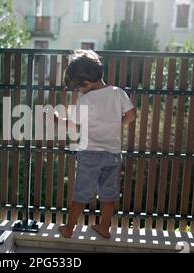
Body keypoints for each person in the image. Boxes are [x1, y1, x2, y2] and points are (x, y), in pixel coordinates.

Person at [57, 50, 136, 239]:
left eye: (77, 87)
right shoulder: (118, 93)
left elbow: (76, 125)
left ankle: (68, 229)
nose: (77, 91)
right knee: (109, 194)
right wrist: (116, 123)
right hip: (113, 154)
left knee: (82, 192)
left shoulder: (85, 99)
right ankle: (104, 227)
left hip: (90, 153)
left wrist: (57, 119)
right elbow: (132, 116)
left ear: (85, 82)